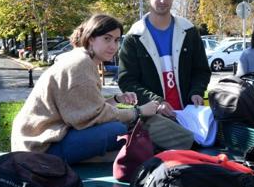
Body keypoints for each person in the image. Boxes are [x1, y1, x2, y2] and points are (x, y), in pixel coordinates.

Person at [12, 14, 159, 162]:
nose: (113, 46)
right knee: (117, 130)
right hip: (39, 149)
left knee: (116, 128)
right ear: (91, 38)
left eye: (116, 40)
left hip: (39, 139)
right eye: (107, 39)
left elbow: (87, 108)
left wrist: (116, 99)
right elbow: (92, 117)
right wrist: (138, 111)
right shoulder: (81, 65)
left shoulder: (82, 58)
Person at [117, 0, 211, 119]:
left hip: (189, 115)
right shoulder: (134, 36)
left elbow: (201, 70)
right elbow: (127, 81)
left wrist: (196, 91)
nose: (163, 0)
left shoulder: (189, 31)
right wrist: (156, 102)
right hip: (153, 118)